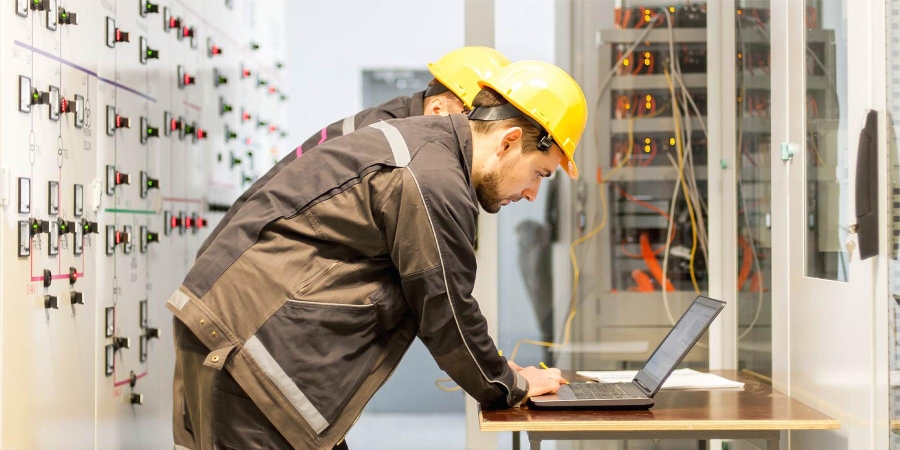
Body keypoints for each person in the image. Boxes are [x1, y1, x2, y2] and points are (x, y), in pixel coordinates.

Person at [168, 60, 588, 450]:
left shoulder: (426, 149)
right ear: (509, 140)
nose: (533, 193)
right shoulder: (433, 178)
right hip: (249, 347)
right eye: (539, 173)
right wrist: (511, 384)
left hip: (247, 336)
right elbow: (446, 308)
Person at [195, 46, 511, 258]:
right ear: (441, 108)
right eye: (475, 124)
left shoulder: (398, 131)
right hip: (241, 274)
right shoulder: (388, 145)